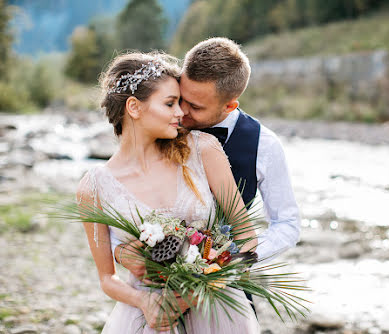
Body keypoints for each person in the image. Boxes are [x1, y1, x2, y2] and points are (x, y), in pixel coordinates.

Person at [77, 52, 260, 333]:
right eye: (170, 103)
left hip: (217, 312)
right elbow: (107, 279)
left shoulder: (203, 150)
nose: (181, 113)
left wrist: (207, 282)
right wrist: (144, 301)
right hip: (150, 316)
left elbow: (246, 236)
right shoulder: (94, 186)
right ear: (134, 108)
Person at [114, 37, 300, 282]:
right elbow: (119, 201)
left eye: (196, 106)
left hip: (226, 287)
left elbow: (287, 223)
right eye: (180, 98)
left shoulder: (264, 145)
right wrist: (119, 252)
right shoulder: (158, 126)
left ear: (230, 106)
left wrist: (234, 261)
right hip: (156, 283)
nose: (182, 112)